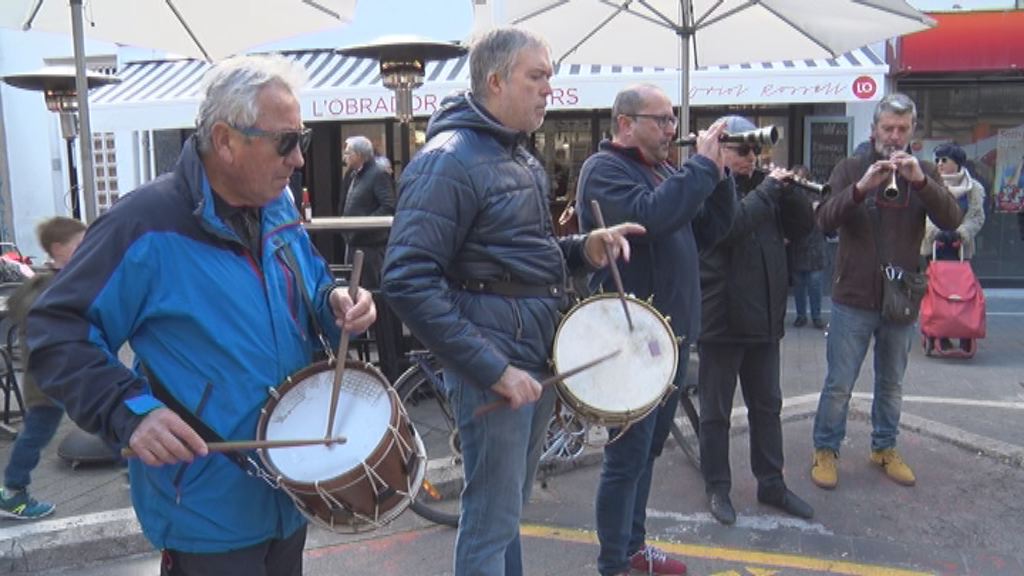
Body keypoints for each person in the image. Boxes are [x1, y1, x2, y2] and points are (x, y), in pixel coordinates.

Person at [25, 55, 376, 575]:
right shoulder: (143, 224)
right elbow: (56, 331)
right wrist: (126, 411)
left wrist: (336, 303)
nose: (299, 158)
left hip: (292, 489)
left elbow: (313, 283)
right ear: (226, 140)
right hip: (205, 505)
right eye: (286, 141)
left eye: (301, 138)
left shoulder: (277, 206)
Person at [381, 28, 642, 576]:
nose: (550, 89)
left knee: (506, 512)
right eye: (537, 76)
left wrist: (584, 249)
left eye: (550, 76)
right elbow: (406, 279)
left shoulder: (516, 155)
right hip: (497, 365)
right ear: (496, 81)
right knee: (490, 520)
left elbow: (526, 257)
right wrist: (493, 369)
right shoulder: (447, 160)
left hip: (530, 357)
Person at [576, 85, 736, 576]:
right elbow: (651, 217)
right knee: (626, 457)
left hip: (669, 338)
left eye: (673, 120)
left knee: (648, 451)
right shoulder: (604, 170)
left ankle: (634, 547)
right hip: (630, 342)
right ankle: (613, 564)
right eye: (662, 120)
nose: (672, 129)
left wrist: (721, 176)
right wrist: (701, 168)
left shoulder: (664, 171)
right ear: (626, 123)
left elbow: (710, 231)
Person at [810, 93, 962, 490]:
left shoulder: (922, 171)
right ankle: (826, 449)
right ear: (874, 129)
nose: (894, 136)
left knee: (892, 383)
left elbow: (951, 218)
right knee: (840, 383)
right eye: (888, 128)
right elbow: (823, 220)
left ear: (912, 131)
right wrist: (861, 188)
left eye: (902, 129)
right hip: (853, 297)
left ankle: (884, 447)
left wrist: (921, 182)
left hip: (900, 298)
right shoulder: (849, 167)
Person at [696, 116, 816, 527]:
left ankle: (772, 483)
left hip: (764, 317)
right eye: (741, 150)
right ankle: (717, 486)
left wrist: (792, 193)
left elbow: (805, 228)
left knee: (767, 406)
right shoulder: (706, 186)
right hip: (721, 319)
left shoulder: (766, 187)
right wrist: (768, 191)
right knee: (715, 412)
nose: (751, 157)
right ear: (721, 149)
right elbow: (729, 227)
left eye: (754, 150)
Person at [0, 217, 86, 520]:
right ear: (58, 249)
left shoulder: (65, 279)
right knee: (36, 435)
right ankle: (13, 491)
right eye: (79, 244)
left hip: (67, 376)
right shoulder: (46, 285)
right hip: (48, 381)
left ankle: (133, 466)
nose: (86, 249)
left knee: (107, 419)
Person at [341, 135, 397, 289]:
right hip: (354, 242)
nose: (345, 157)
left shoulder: (378, 174)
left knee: (370, 290)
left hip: (370, 247)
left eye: (348, 153)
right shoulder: (353, 175)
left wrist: (364, 225)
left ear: (359, 155)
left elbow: (388, 206)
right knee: (354, 288)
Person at [921, 142, 986, 262]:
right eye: (937, 160)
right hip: (933, 247)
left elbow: (977, 216)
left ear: (957, 162)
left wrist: (962, 233)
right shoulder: (929, 184)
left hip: (961, 249)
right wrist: (935, 233)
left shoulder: (974, 188)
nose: (939, 164)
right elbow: (922, 214)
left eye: (944, 160)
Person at [788, 164, 828, 330]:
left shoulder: (817, 193)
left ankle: (816, 316)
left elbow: (826, 217)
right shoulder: (790, 194)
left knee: (815, 284)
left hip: (814, 245)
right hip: (798, 244)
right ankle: (801, 315)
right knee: (799, 284)